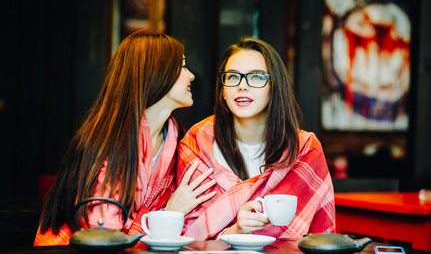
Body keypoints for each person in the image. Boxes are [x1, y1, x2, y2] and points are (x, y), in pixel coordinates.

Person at [34, 30, 216, 246]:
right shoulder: (111, 145)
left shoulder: (177, 139)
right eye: (183, 66)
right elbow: (104, 237)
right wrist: (168, 214)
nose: (192, 75)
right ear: (157, 73)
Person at [177, 37, 335, 240]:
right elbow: (182, 232)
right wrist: (235, 232)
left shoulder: (304, 149)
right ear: (223, 91)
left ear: (274, 87)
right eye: (233, 77)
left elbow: (322, 238)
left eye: (257, 77)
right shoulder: (196, 144)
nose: (242, 86)